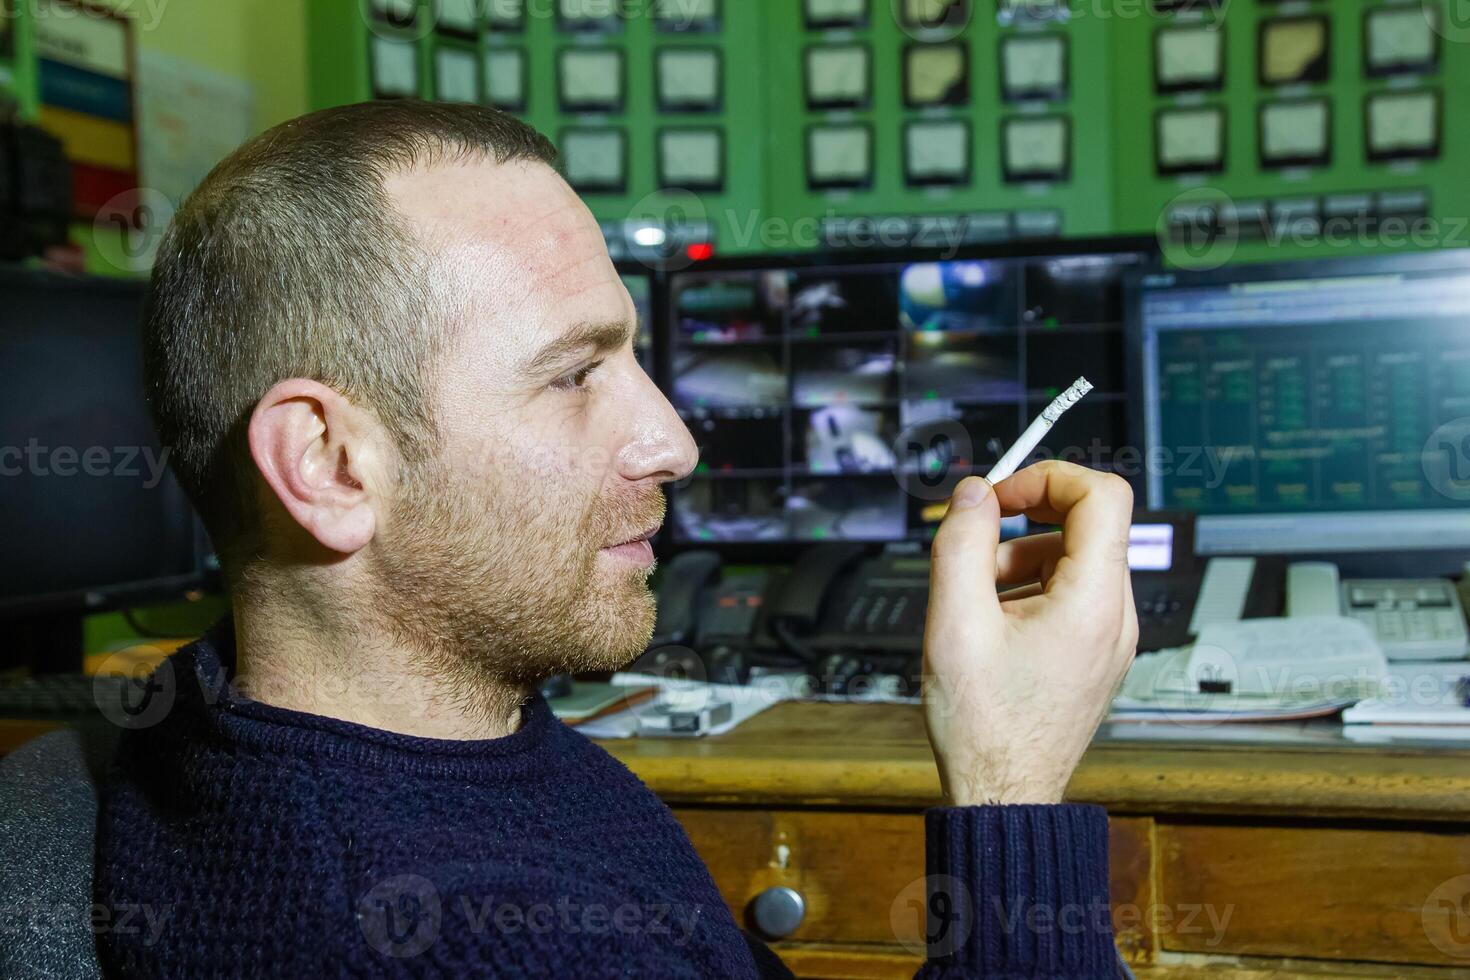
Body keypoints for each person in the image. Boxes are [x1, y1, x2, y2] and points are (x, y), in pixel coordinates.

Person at [94, 101, 1138, 978]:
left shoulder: (241, 721)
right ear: (326, 461)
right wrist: (1011, 786)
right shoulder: (460, 938)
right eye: (572, 373)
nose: (675, 442)